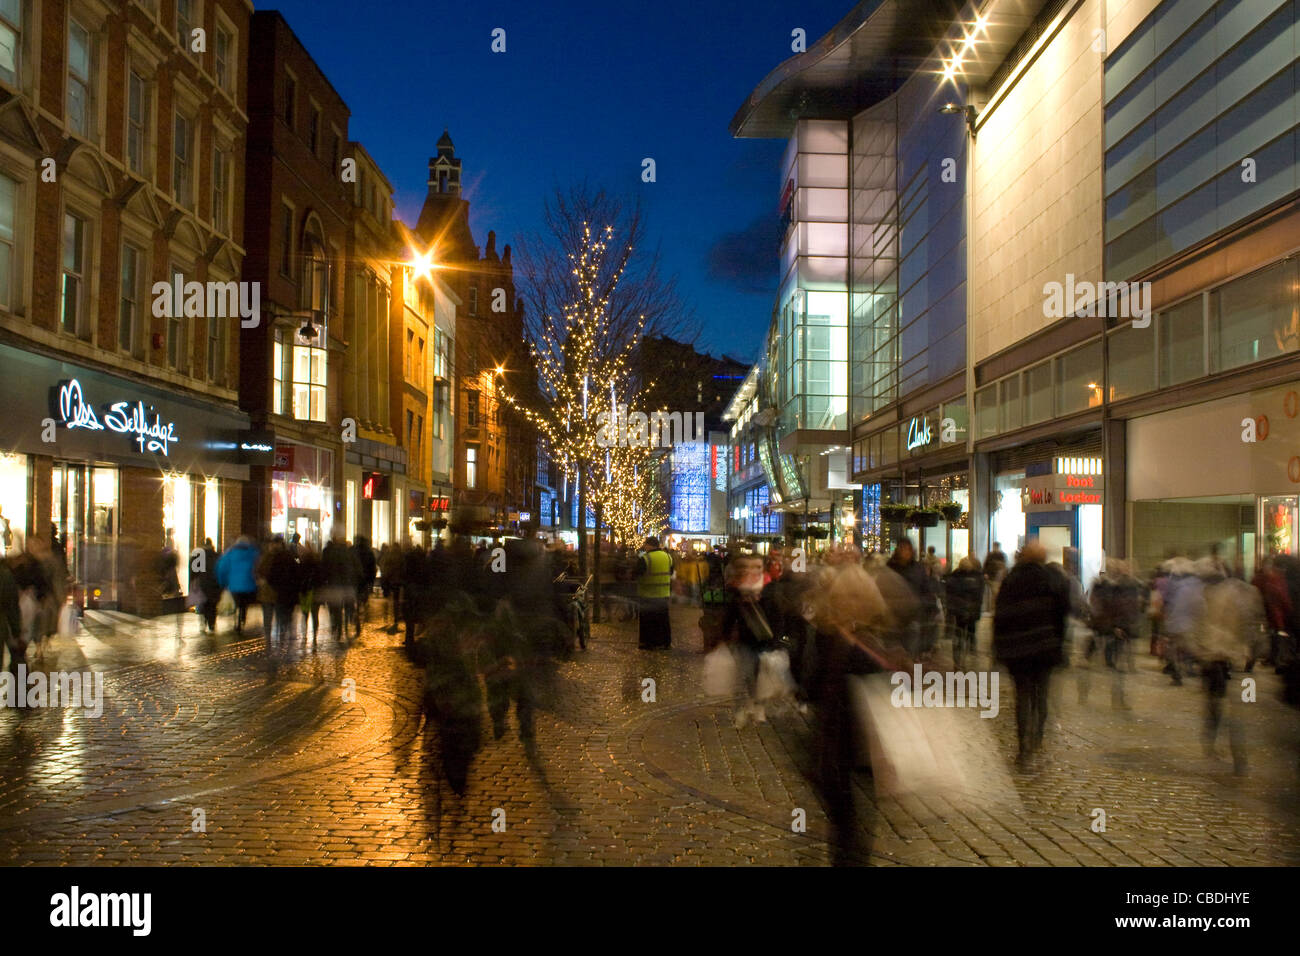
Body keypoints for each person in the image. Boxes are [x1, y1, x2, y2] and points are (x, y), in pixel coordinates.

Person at [993, 539, 1069, 770]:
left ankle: (1023, 748)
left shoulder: (1011, 579)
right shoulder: (1052, 579)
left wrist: (998, 647)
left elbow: (1001, 616)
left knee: (1023, 698)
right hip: (1044, 648)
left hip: (1018, 650)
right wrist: (1059, 645)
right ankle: (1036, 739)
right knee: (1040, 696)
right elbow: (1062, 615)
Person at [1193, 558, 1260, 774]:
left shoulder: (1206, 596)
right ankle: (1239, 757)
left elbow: (1199, 628)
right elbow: (1252, 626)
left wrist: (1202, 651)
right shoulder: (1246, 593)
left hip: (1215, 658)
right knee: (1239, 709)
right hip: (1238, 660)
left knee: (1216, 704)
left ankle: (1212, 744)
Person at [321, 534, 363, 641]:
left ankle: (339, 629)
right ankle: (352, 623)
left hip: (336, 585)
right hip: (348, 585)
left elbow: (326, 570)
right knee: (350, 607)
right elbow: (358, 570)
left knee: (337, 609)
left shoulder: (331, 554)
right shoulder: (350, 554)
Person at [945, 555, 984, 668]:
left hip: (960, 611)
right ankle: (969, 651)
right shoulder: (977, 577)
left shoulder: (954, 577)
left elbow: (950, 594)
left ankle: (958, 658)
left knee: (959, 632)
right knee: (970, 631)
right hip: (969, 611)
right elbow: (979, 596)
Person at [635, 536, 674, 650]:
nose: (644, 547)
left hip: (648, 594)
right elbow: (671, 572)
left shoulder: (645, 558)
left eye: (645, 545)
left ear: (649, 545)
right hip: (663, 594)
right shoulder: (668, 557)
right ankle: (665, 642)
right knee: (663, 620)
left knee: (648, 621)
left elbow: (638, 573)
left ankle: (648, 643)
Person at [216, 536, 260, 635]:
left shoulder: (230, 553)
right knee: (244, 603)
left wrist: (222, 582)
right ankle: (242, 616)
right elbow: (259, 567)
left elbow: (221, 568)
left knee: (236, 602)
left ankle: (237, 620)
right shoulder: (254, 553)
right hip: (249, 584)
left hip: (233, 585)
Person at [190, 538, 221, 633]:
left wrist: (193, 581)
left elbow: (193, 571)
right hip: (214, 583)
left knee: (203, 603)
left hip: (202, 583)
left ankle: (203, 623)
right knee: (212, 605)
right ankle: (212, 624)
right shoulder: (216, 556)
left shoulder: (198, 556)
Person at [297, 543, 324, 644]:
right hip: (315, 592)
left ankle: (304, 635)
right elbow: (321, 579)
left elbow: (298, 579)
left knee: (305, 614)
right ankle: (314, 636)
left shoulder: (302, 564)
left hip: (305, 592)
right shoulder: (317, 564)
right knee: (314, 615)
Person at [354, 534, 377, 629]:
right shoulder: (369, 552)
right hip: (365, 578)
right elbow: (373, 567)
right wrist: (371, 580)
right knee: (363, 595)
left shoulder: (354, 551)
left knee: (357, 595)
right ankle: (361, 607)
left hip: (356, 578)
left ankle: (357, 611)